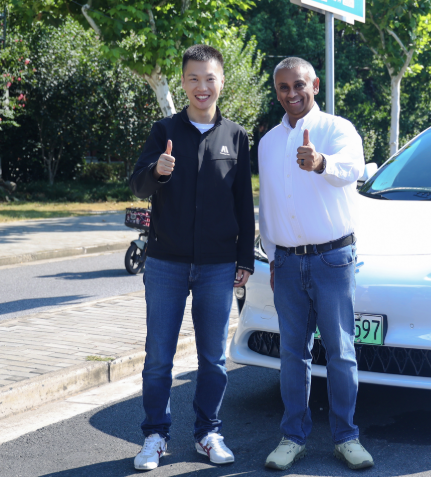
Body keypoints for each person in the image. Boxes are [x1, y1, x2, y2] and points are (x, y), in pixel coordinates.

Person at [129, 44, 255, 471]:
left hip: (218, 266)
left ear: (222, 82)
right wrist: (157, 171)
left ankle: (208, 433)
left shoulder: (236, 136)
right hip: (166, 262)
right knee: (158, 358)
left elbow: (244, 204)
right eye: (194, 78)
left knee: (213, 359)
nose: (202, 86)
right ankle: (155, 436)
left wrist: (244, 258)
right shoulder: (164, 129)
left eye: (210, 78)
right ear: (183, 83)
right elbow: (138, 185)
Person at [257, 57, 373, 471]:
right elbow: (268, 203)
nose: (292, 93)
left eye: (299, 85)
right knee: (293, 354)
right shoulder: (268, 142)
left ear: (316, 85)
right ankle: (293, 437)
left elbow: (354, 170)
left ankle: (346, 437)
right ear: (277, 92)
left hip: (333, 259)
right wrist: (273, 256)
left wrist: (321, 162)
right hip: (288, 263)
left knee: (341, 351)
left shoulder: (337, 129)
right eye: (283, 87)